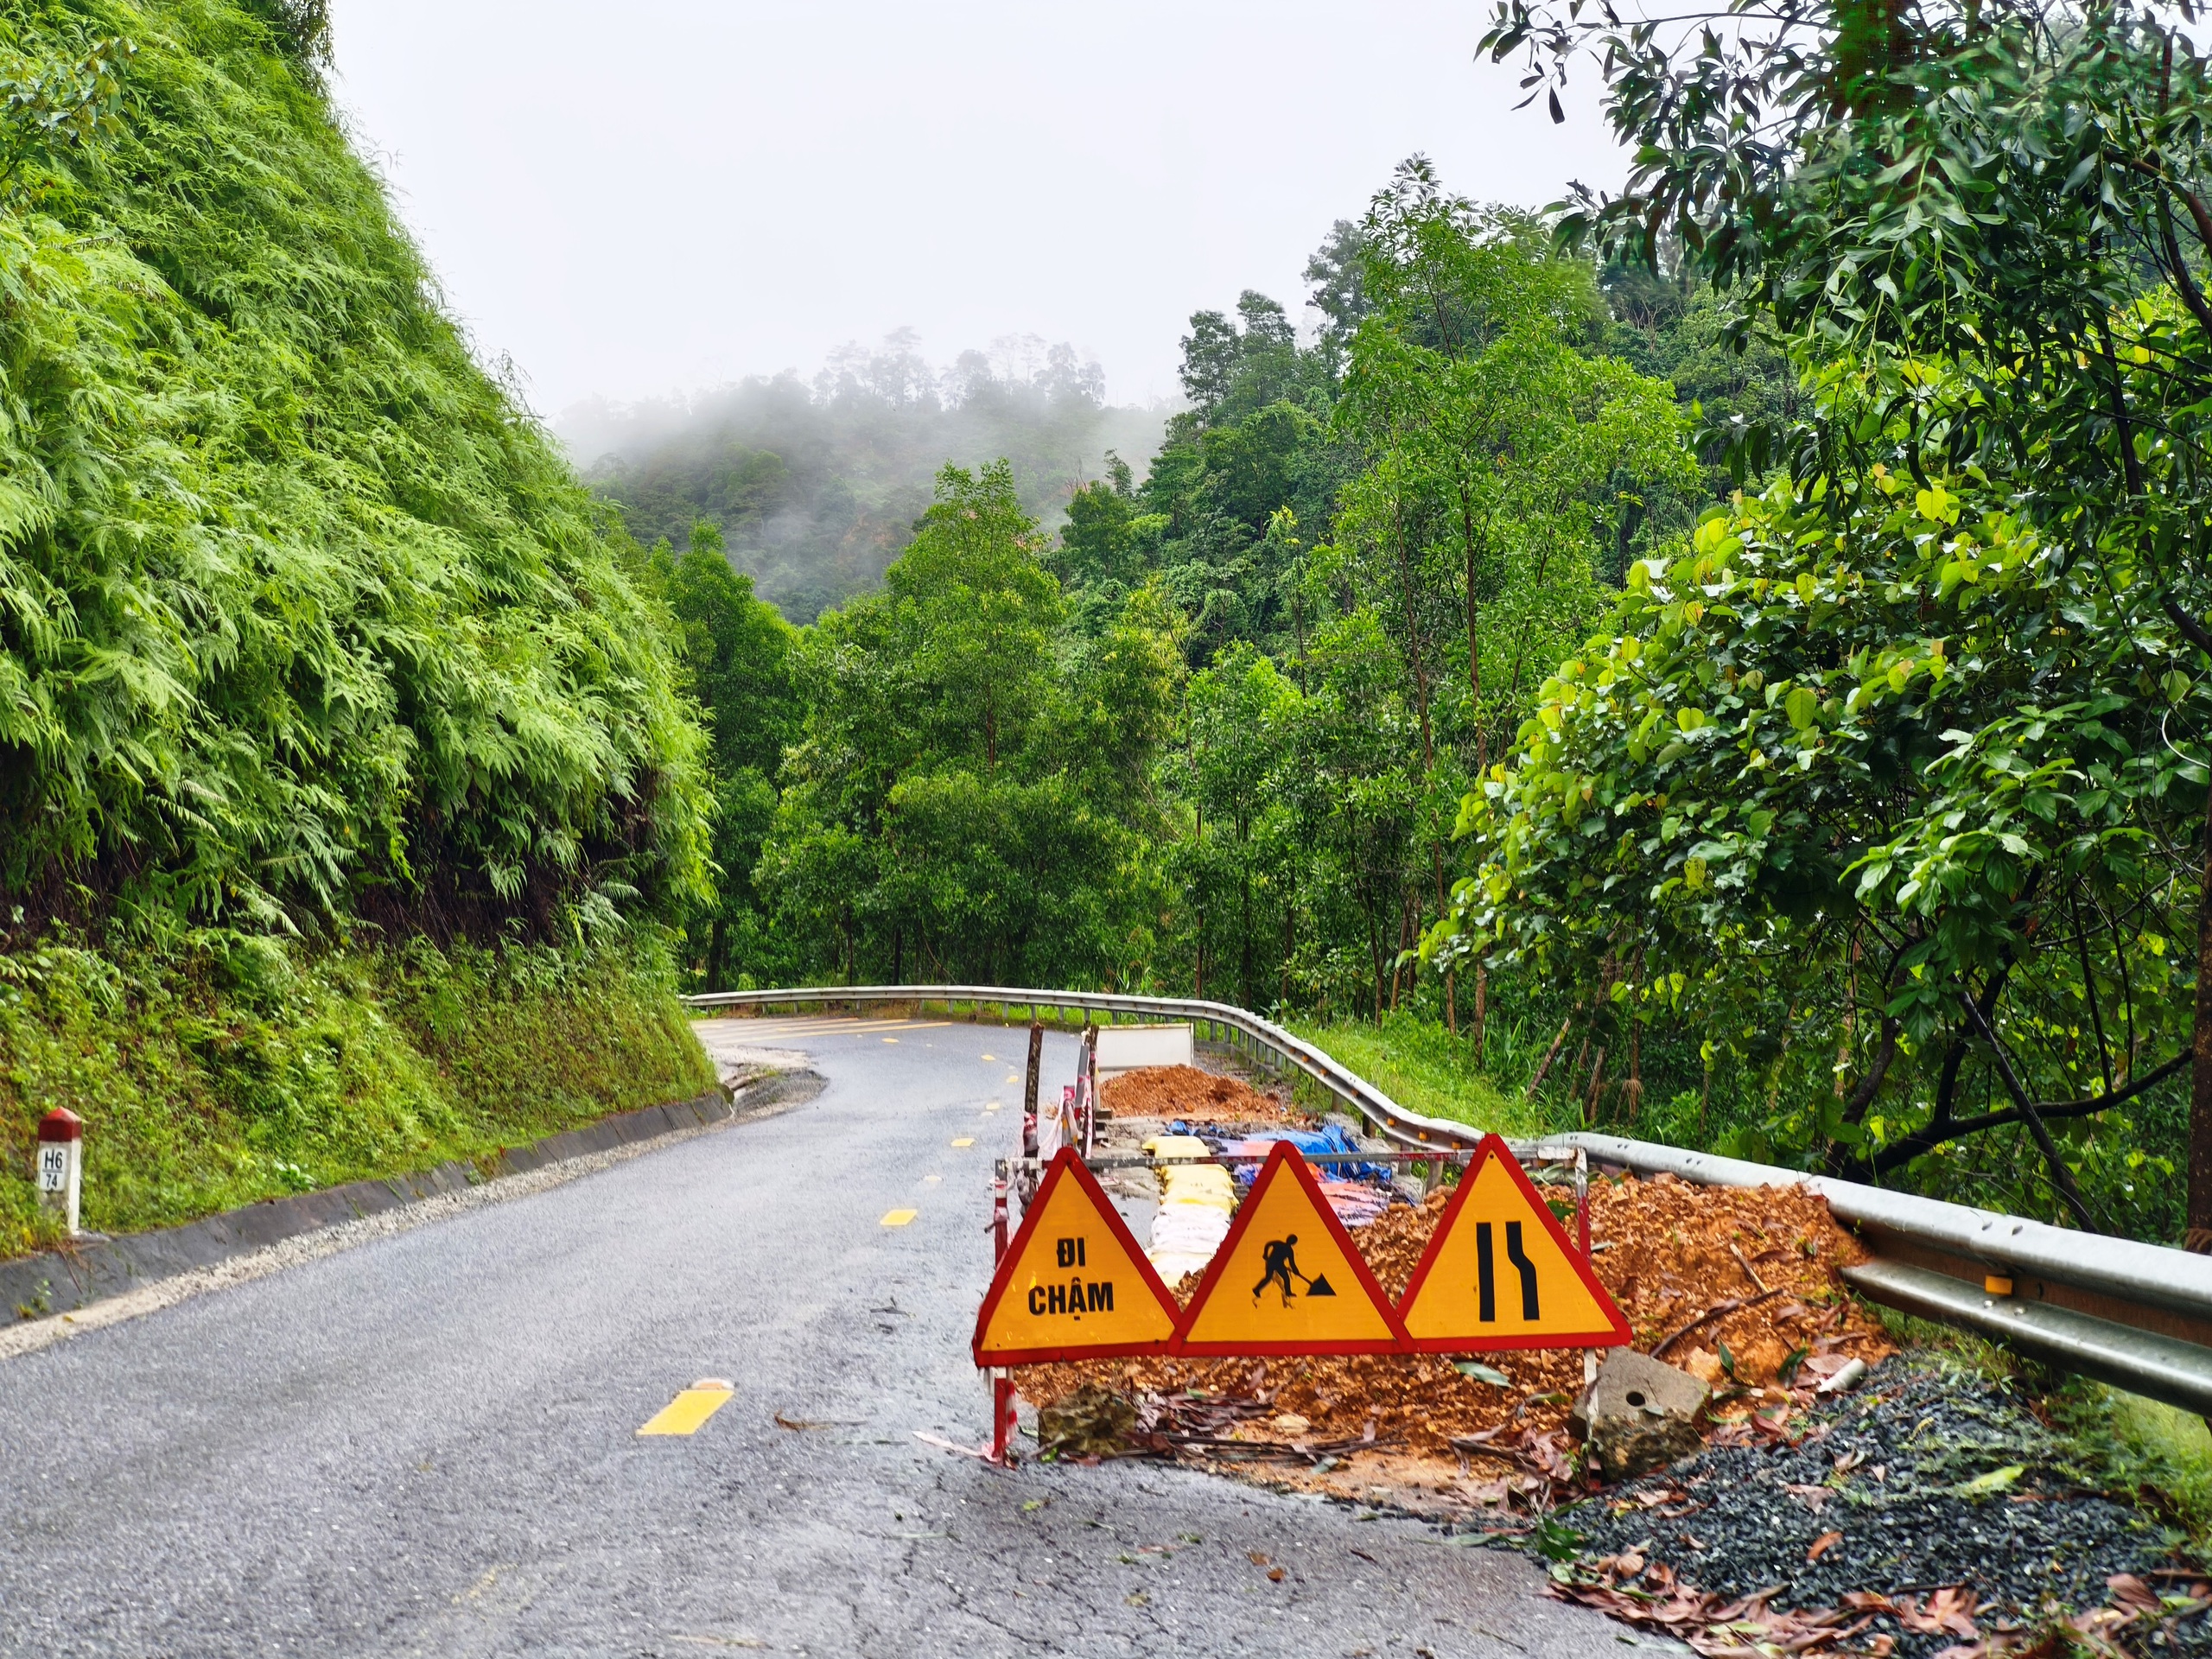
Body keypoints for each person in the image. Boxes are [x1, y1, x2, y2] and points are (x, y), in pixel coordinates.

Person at [1253, 1235, 1306, 1307]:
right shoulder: (1287, 1249)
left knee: (1270, 1278)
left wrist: (1295, 1270)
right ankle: (1288, 1292)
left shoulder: (1282, 1246)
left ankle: (1257, 1289)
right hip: (1275, 1264)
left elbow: (1292, 1263)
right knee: (1285, 1278)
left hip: (1274, 1263)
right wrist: (1265, 1254)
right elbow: (1292, 1263)